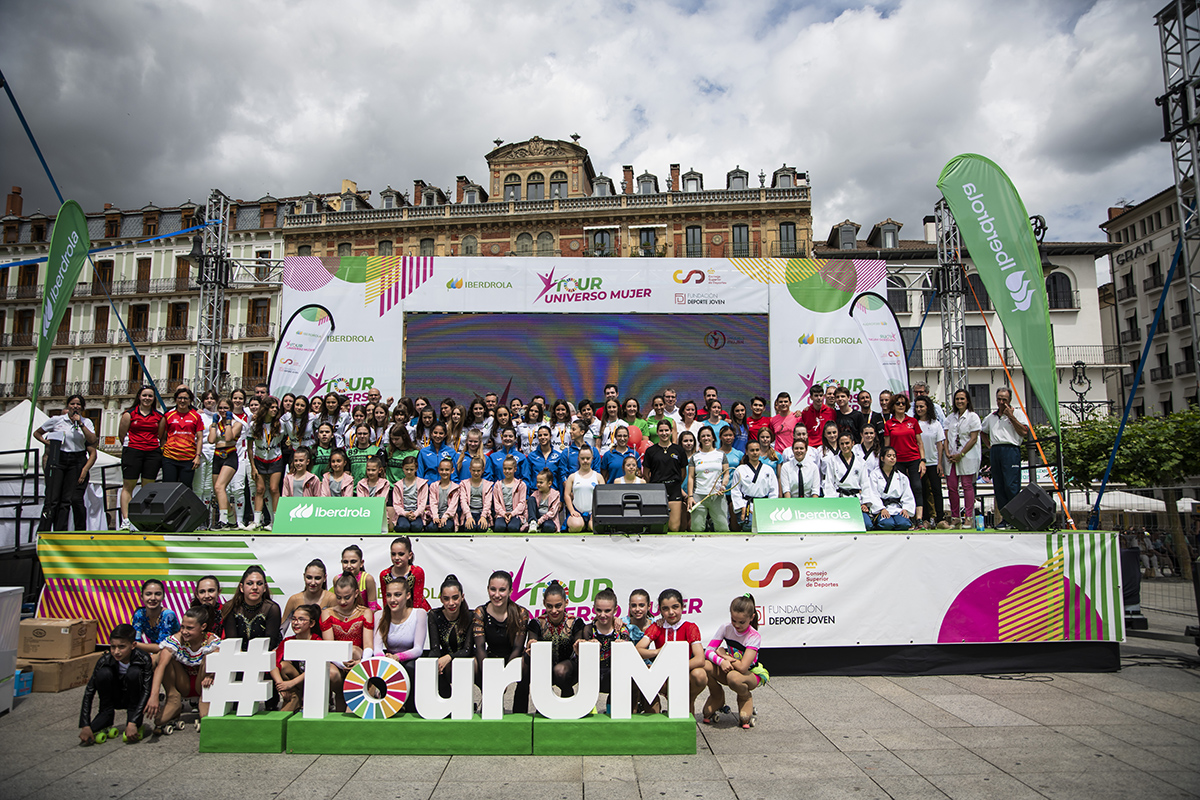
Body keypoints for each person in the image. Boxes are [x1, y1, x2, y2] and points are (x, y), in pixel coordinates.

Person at [146, 606, 220, 733]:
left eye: (189, 628)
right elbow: (161, 666)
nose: (184, 631)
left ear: (203, 627)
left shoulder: (211, 640)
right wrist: (154, 695)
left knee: (210, 657)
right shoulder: (177, 639)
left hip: (203, 686)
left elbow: (220, 661)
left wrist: (210, 675)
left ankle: (205, 700)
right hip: (183, 684)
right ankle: (173, 699)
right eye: (183, 627)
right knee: (162, 656)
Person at [635, 588, 707, 715]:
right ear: (660, 610)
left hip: (684, 674)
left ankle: (689, 699)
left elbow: (700, 659)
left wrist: (675, 669)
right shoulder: (657, 627)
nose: (671, 612)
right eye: (665, 609)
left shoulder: (690, 627)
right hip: (663, 677)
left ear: (683, 607)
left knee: (700, 674)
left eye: (675, 607)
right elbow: (638, 650)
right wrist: (658, 652)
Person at [78, 623, 153, 744]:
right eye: (113, 647)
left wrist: (133, 721)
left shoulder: (143, 659)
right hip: (113, 698)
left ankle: (133, 719)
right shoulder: (105, 660)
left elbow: (146, 690)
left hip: (134, 702)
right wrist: (85, 724)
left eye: (121, 647)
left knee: (134, 672)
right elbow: (89, 691)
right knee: (103, 673)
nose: (116, 652)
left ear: (133, 645)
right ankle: (106, 716)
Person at [34, 394, 97, 532]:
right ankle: (44, 530)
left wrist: (80, 424)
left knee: (67, 500)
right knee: (53, 498)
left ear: (82, 407)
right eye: (72, 404)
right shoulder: (57, 420)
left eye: (78, 404)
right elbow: (37, 433)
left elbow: (92, 440)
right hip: (59, 458)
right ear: (68, 405)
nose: (75, 406)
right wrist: (46, 442)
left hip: (77, 459)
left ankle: (60, 530)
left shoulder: (86, 422)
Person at [702, 595, 765, 729]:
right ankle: (717, 696)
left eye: (741, 622)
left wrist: (726, 656)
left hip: (750, 674)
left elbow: (743, 667)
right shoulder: (726, 628)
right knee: (705, 666)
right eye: (733, 620)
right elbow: (708, 651)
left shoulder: (754, 636)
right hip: (730, 668)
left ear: (751, 618)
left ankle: (745, 697)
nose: (736, 625)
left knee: (734, 677)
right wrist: (721, 661)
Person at [519, 580, 583, 713]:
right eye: (549, 606)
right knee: (525, 662)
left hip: (569, 670)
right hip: (544, 669)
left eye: (558, 606)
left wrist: (579, 645)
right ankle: (522, 712)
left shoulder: (575, 622)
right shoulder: (537, 623)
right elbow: (531, 642)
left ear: (566, 602)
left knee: (560, 670)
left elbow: (579, 644)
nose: (554, 611)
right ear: (544, 604)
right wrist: (531, 645)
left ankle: (569, 706)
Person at [473, 570, 530, 709]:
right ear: (488, 589)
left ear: (510, 591)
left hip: (513, 657)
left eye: (502, 590)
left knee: (526, 663)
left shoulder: (521, 613)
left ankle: (519, 710)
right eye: (493, 589)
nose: (497, 595)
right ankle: (490, 702)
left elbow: (518, 648)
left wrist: (505, 676)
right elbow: (480, 648)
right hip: (490, 658)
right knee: (473, 663)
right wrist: (489, 674)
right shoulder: (480, 612)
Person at [321, 573, 374, 711]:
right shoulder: (327, 613)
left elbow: (368, 645)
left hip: (358, 659)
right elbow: (329, 646)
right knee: (331, 673)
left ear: (356, 593)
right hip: (336, 660)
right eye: (338, 597)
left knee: (354, 651)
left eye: (347, 597)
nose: (342, 602)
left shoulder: (365, 612)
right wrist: (341, 663)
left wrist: (361, 663)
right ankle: (339, 698)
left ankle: (357, 696)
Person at [374, 579, 427, 707]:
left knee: (410, 668)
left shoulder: (419, 613)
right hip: (388, 661)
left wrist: (397, 657)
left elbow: (418, 649)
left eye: (397, 595)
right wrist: (387, 660)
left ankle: (411, 707)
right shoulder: (379, 615)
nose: (392, 600)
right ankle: (386, 703)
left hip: (410, 661)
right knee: (378, 667)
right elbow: (377, 648)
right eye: (389, 595)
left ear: (408, 595)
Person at [981, 387, 1029, 526]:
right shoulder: (991, 417)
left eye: (1004, 399)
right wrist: (989, 445)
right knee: (999, 486)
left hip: (1011, 449)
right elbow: (982, 431)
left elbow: (1024, 432)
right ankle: (1006, 518)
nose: (1001, 402)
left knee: (1011, 485)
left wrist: (1011, 416)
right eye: (999, 399)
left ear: (1010, 400)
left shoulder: (1018, 414)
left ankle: (1016, 517)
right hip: (996, 450)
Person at [578, 588, 630, 715]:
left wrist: (622, 644)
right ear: (593, 608)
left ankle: (612, 709)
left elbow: (627, 654)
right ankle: (589, 708)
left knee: (618, 673)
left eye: (607, 611)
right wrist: (588, 644)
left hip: (613, 676)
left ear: (615, 610)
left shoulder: (622, 629)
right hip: (592, 675)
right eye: (599, 610)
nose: (602, 614)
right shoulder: (588, 629)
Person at [884, 393, 926, 527]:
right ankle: (906, 517)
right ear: (893, 406)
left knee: (917, 487)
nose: (901, 405)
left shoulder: (913, 421)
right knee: (900, 490)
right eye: (898, 403)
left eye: (903, 403)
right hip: (897, 461)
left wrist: (923, 460)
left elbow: (920, 443)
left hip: (914, 459)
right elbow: (887, 446)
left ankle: (919, 518)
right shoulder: (889, 424)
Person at [427, 574, 473, 699]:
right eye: (446, 599)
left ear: (462, 597)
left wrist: (449, 657)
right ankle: (445, 700)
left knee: (462, 666)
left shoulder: (471, 616)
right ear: (441, 599)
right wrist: (433, 664)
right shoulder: (434, 615)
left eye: (455, 598)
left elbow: (467, 650)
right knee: (436, 666)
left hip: (465, 659)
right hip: (444, 660)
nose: (451, 603)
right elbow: (435, 648)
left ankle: (466, 701)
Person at [273, 603, 322, 713]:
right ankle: (295, 697)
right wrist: (281, 686)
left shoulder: (317, 641)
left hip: (314, 683)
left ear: (312, 623)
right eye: (294, 619)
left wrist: (291, 683)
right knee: (283, 666)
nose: (296, 623)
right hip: (296, 684)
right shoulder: (288, 641)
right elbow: (274, 663)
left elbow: (316, 669)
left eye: (301, 619)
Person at [219, 565, 282, 650]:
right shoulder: (230, 607)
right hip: (237, 655)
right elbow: (232, 642)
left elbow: (270, 643)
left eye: (259, 583)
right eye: (250, 583)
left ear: (264, 588)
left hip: (263, 655)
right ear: (241, 587)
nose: (255, 587)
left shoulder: (272, 609)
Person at [944, 389, 982, 528]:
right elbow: (945, 437)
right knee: (952, 486)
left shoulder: (973, 417)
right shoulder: (950, 418)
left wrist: (961, 454)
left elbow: (973, 439)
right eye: (957, 399)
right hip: (951, 457)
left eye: (962, 399)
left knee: (967, 485)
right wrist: (947, 453)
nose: (959, 401)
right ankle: (955, 517)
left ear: (967, 401)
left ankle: (968, 517)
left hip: (967, 456)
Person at [823, 433, 877, 529]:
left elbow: (865, 484)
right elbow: (829, 483)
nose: (845, 446)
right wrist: (831, 501)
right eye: (842, 444)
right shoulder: (833, 461)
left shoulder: (861, 462)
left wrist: (865, 502)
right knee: (838, 525)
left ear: (853, 443)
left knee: (867, 525)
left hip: (856, 499)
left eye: (847, 443)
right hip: (839, 498)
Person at [248, 396, 286, 530]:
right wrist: (253, 467)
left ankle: (276, 522)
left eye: (276, 407)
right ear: (265, 408)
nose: (275, 410)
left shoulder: (280, 424)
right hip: (259, 459)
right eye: (272, 407)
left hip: (276, 459)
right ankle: (256, 521)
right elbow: (249, 447)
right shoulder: (254, 425)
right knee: (259, 490)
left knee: (274, 489)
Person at [643, 420, 686, 532]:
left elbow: (683, 473)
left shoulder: (679, 450)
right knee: (657, 526)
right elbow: (646, 474)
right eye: (661, 430)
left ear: (671, 431)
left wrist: (676, 483)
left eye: (666, 430)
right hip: (657, 490)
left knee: (674, 528)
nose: (664, 433)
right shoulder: (650, 451)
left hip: (674, 489)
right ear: (657, 432)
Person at [207, 398, 244, 530]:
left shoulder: (236, 424)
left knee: (219, 486)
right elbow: (211, 440)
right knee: (218, 491)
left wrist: (228, 421)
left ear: (231, 410)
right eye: (220, 408)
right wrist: (213, 424)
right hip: (217, 456)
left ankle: (223, 520)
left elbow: (228, 438)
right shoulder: (216, 424)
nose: (223, 411)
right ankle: (232, 521)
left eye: (226, 408)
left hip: (230, 455)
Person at [159, 387, 204, 487]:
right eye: (180, 398)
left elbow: (200, 438)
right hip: (170, 458)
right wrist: (163, 449)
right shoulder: (168, 415)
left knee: (185, 489)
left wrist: (197, 456)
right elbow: (163, 436)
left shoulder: (196, 416)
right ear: (176, 399)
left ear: (190, 400)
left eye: (185, 398)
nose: (182, 401)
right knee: (168, 488)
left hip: (188, 458)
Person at [914, 396, 948, 528]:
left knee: (936, 490)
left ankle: (940, 518)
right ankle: (925, 519)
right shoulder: (914, 423)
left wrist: (940, 463)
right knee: (922, 491)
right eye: (917, 407)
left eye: (922, 406)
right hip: (919, 463)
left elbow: (940, 445)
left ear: (928, 407)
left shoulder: (935, 424)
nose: (919, 409)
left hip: (933, 462)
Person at [688, 426, 730, 532]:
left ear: (713, 438)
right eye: (703, 436)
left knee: (722, 528)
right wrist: (690, 496)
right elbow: (691, 477)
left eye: (708, 435)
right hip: (699, 496)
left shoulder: (721, 455)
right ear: (699, 439)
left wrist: (723, 486)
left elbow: (726, 474)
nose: (706, 438)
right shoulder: (695, 457)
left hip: (717, 496)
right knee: (697, 528)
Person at [731, 441, 778, 531]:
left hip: (764, 504)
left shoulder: (768, 469)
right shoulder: (740, 469)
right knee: (749, 527)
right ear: (747, 452)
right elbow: (735, 491)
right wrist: (742, 508)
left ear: (760, 451)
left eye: (757, 450)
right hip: (746, 505)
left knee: (766, 528)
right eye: (752, 450)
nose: (755, 453)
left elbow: (774, 491)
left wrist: (770, 507)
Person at [867, 446, 917, 530]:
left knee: (904, 524)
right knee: (887, 524)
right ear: (882, 458)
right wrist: (881, 509)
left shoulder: (901, 477)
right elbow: (873, 494)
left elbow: (907, 495)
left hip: (897, 508)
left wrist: (906, 509)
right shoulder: (874, 475)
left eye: (894, 456)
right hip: (883, 507)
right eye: (889, 456)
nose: (892, 458)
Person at [281, 559, 335, 636]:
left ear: (324, 578)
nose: (313, 582)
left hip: (323, 642)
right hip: (300, 642)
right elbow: (282, 630)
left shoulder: (331, 599)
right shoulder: (294, 599)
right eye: (309, 577)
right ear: (304, 576)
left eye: (317, 578)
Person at [379, 535, 431, 611]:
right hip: (395, 611)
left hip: (416, 611)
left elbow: (417, 601)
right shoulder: (384, 575)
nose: (396, 558)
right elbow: (386, 601)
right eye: (393, 554)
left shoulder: (417, 572)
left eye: (401, 554)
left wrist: (411, 616)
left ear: (410, 555)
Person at [131, 578, 179, 656]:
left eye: (157, 594)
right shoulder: (139, 614)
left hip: (175, 653)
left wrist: (131, 644)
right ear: (142, 596)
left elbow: (162, 646)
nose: (153, 598)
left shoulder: (168, 615)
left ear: (163, 596)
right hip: (157, 653)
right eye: (148, 594)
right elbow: (136, 640)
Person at [564, 446, 601, 532]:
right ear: (578, 459)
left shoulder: (598, 477)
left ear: (592, 458)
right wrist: (572, 510)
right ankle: (579, 525)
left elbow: (603, 497)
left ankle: (587, 526)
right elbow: (567, 495)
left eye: (588, 458)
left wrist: (597, 512)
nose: (585, 461)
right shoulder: (572, 477)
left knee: (595, 527)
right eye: (582, 458)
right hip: (577, 512)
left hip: (593, 513)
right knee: (576, 526)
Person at [555, 419, 598, 490]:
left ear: (582, 432)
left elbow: (597, 471)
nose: (570, 431)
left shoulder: (593, 451)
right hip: (571, 490)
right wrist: (570, 490)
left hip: (590, 489)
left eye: (573, 429)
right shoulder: (566, 452)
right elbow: (563, 474)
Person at [455, 457, 494, 531]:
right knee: (470, 528)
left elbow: (488, 503)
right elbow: (463, 501)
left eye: (478, 471)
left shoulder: (487, 485)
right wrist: (468, 516)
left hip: (482, 512)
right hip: (469, 512)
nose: (476, 473)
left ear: (483, 470)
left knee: (482, 528)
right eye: (474, 470)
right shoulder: (464, 484)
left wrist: (483, 516)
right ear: (470, 469)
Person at [491, 456, 528, 533]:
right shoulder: (497, 485)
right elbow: (496, 503)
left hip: (516, 514)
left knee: (513, 528)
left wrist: (512, 513)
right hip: (501, 514)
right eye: (505, 469)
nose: (507, 471)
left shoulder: (521, 485)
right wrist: (503, 514)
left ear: (515, 469)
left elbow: (522, 503)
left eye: (510, 469)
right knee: (499, 527)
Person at [390, 456, 427, 532]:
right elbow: (396, 504)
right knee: (403, 527)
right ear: (403, 468)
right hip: (403, 513)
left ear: (416, 469)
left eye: (411, 469)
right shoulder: (398, 485)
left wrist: (415, 514)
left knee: (416, 527)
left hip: (417, 513)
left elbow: (423, 503)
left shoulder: (423, 484)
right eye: (406, 469)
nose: (409, 472)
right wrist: (405, 514)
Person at [423, 458, 459, 532]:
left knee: (445, 528)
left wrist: (445, 517)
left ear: (452, 470)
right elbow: (433, 503)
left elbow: (453, 506)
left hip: (448, 517)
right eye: (442, 470)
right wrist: (435, 517)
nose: (444, 472)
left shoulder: (455, 487)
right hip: (435, 515)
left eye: (447, 470)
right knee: (431, 528)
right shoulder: (433, 486)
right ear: (438, 470)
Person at [523, 426, 559, 493]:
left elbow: (560, 477)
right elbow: (527, 477)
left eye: (545, 435)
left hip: (553, 492)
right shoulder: (532, 456)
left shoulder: (558, 456)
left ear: (550, 436)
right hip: (535, 492)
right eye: (540, 435)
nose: (542, 437)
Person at [341, 544, 377, 610]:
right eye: (345, 562)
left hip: (366, 614)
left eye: (353, 562)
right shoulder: (338, 579)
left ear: (361, 563)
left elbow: (372, 608)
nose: (349, 566)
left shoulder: (367, 579)